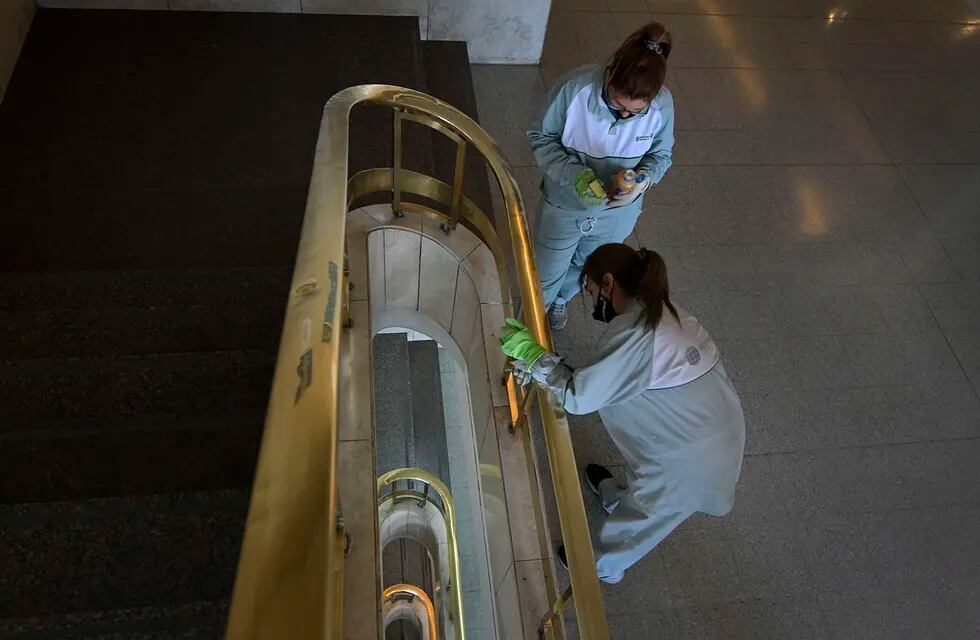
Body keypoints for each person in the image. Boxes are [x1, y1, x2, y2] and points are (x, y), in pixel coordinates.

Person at [499, 244, 745, 584]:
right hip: (710, 427)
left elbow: (579, 395)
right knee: (643, 462)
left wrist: (533, 355)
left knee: (647, 514)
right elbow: (614, 377)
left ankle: (602, 565)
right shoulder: (664, 311)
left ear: (608, 283)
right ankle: (615, 496)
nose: (590, 299)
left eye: (589, 290)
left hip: (689, 464)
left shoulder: (637, 334)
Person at [527, 22, 675, 331]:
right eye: (619, 104)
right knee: (544, 273)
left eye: (636, 112)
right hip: (565, 205)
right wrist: (575, 175)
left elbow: (661, 156)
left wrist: (642, 180)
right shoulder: (573, 90)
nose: (624, 116)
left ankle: (559, 301)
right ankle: (529, 325)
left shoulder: (663, 107)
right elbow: (541, 138)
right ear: (610, 74)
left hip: (617, 214)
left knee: (587, 266)